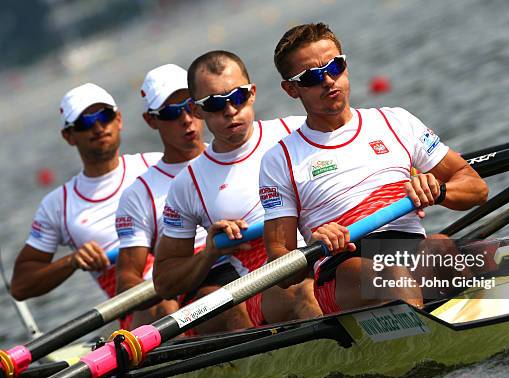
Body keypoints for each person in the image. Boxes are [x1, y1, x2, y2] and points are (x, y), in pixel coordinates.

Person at [259, 23, 489, 314]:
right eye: (312, 77)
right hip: (342, 269)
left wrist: (439, 191)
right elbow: (280, 261)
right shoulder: (280, 160)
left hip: (408, 251)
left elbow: (477, 188)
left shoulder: (395, 122)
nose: (329, 80)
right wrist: (315, 243)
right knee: (394, 277)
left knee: (442, 248)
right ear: (291, 88)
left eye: (335, 66)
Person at [154, 50, 322, 332]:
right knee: (305, 292)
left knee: (420, 253)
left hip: (332, 254)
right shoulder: (188, 184)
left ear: (252, 93)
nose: (230, 110)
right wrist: (210, 251)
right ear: (197, 111)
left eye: (238, 97)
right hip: (269, 286)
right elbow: (165, 282)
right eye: (216, 104)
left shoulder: (298, 131)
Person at [11, 83, 162, 304]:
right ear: (69, 136)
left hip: (179, 279)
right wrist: (72, 261)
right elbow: (20, 285)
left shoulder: (156, 164)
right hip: (136, 306)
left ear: (118, 119)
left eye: (105, 115)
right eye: (85, 122)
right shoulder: (58, 205)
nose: (98, 127)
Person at [114, 64, 207, 328]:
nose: (186, 118)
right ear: (151, 120)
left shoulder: (233, 157)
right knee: (161, 307)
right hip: (190, 293)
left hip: (251, 272)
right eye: (171, 112)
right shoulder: (139, 195)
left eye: (190, 105)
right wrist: (178, 277)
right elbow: (127, 284)